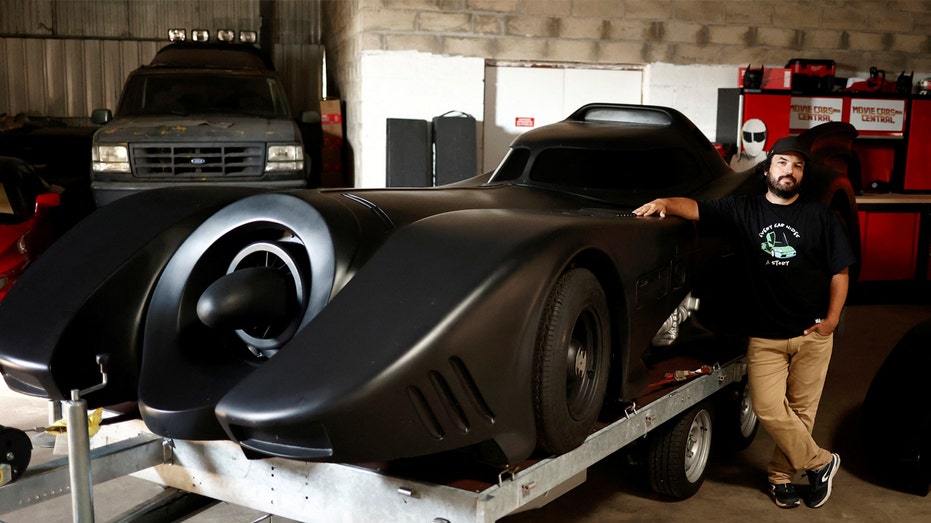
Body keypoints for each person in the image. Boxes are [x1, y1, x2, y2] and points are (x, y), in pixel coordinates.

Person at [633, 136, 857, 510]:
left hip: (812, 334)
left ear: (803, 175)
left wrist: (832, 321)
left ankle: (780, 478)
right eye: (783, 163)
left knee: (802, 413)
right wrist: (665, 203)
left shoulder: (819, 216)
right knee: (770, 408)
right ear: (768, 168)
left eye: (798, 166)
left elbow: (840, 272)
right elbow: (697, 209)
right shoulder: (745, 209)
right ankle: (820, 462)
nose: (790, 171)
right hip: (765, 336)